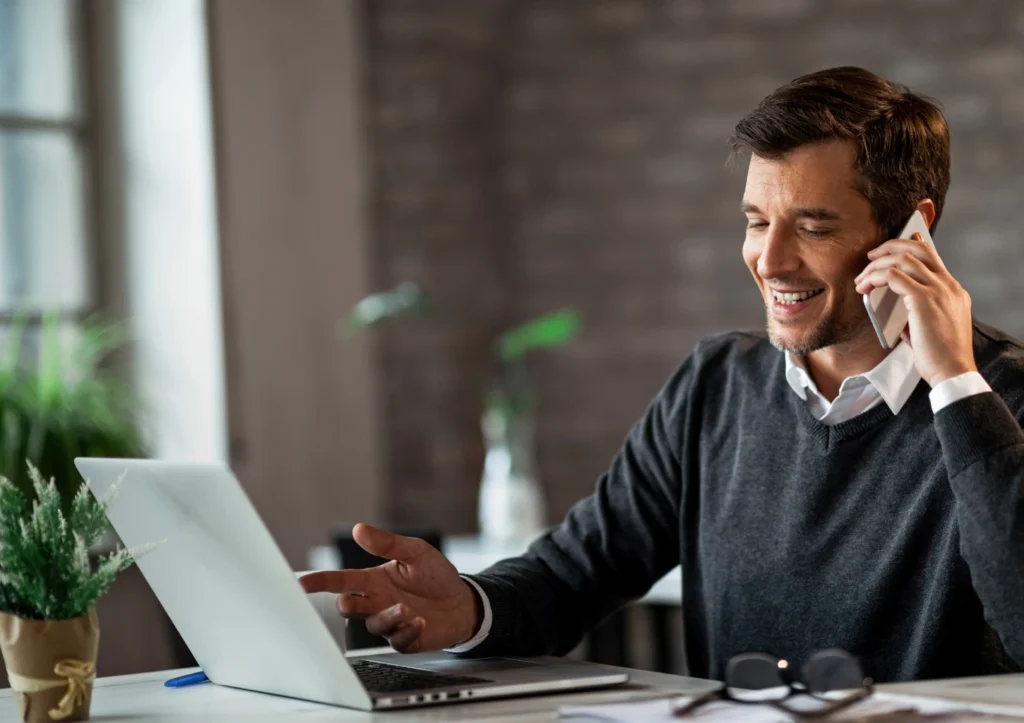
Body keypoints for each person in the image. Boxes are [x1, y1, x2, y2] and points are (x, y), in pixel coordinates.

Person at [301, 67, 1024, 683]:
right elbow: (574, 572)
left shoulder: (1003, 398)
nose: (769, 261)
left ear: (911, 232)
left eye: (812, 226)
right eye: (754, 220)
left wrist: (956, 383)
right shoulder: (716, 384)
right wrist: (467, 605)